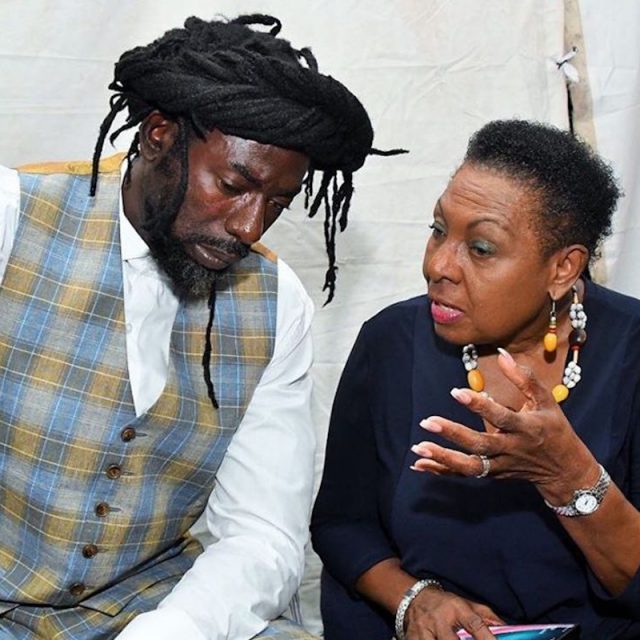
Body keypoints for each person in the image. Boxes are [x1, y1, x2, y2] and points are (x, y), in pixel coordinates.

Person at [0, 13, 395, 640]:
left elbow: (262, 534)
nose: (249, 225)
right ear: (158, 135)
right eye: (234, 185)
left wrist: (172, 629)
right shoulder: (13, 217)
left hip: (152, 611)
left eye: (277, 203)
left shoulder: (276, 303)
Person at [311, 119, 640, 640]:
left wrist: (570, 475)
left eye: (481, 248)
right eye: (438, 229)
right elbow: (342, 525)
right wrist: (414, 600)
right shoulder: (392, 342)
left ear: (562, 268)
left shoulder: (631, 355)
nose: (438, 265)